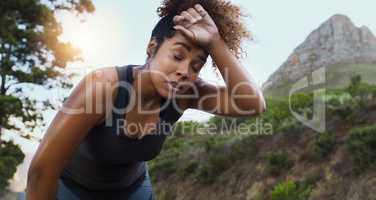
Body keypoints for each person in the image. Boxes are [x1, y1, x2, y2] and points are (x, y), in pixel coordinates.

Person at [26, 0, 266, 199]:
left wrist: (215, 44)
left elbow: (253, 104)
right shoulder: (103, 87)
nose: (184, 70)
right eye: (177, 55)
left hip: (133, 191)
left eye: (196, 65)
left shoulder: (185, 94)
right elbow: (41, 172)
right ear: (152, 47)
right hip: (71, 191)